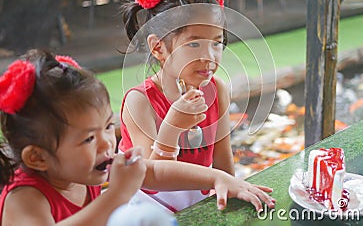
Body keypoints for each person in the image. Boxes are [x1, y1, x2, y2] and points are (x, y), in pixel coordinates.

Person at [0, 49, 275, 225]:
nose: (108, 143)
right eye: (88, 139)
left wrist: (219, 178)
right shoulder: (25, 198)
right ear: (37, 157)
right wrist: (117, 194)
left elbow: (151, 171)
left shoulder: (86, 166)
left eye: (108, 127)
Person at [119, 0, 236, 211]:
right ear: (158, 47)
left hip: (199, 202)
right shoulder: (140, 102)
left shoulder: (218, 90)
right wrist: (171, 128)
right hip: (147, 208)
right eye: (193, 44)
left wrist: (233, 191)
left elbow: (223, 164)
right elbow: (150, 180)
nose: (209, 56)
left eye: (216, 42)